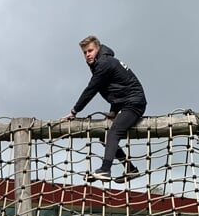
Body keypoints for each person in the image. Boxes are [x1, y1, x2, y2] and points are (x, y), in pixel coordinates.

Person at [61, 35, 146, 181]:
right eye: (84, 52)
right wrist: (113, 111)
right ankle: (130, 169)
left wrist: (74, 111)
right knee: (103, 135)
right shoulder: (101, 63)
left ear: (98, 49)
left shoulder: (104, 63)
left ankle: (105, 169)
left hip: (134, 103)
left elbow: (91, 89)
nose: (87, 55)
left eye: (90, 50)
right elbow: (117, 89)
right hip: (126, 102)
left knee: (114, 133)